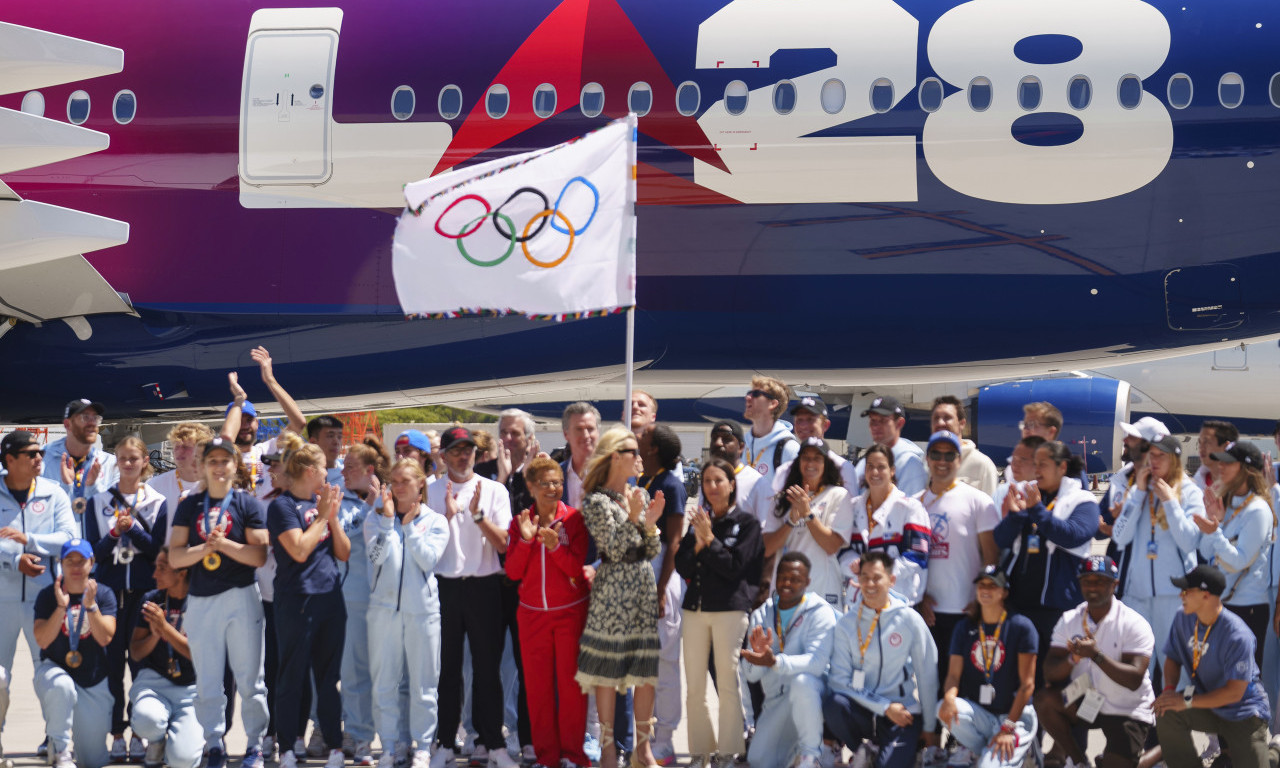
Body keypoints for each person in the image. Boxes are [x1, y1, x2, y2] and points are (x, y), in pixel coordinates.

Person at [168, 437, 270, 768]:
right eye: (212, 460)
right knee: (209, 679)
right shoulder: (189, 505)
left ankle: (254, 743)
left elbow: (258, 555)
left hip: (241, 596)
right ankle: (214, 742)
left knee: (251, 679)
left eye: (224, 460)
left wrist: (224, 544)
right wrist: (206, 550)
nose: (218, 466)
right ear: (203, 465)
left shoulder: (246, 503)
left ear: (234, 465)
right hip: (201, 600)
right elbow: (175, 556)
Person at [574, 427, 666, 768]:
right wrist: (634, 518)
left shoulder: (635, 494)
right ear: (616, 457)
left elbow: (650, 549)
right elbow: (613, 548)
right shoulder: (596, 500)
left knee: (644, 671)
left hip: (641, 588)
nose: (640, 458)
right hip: (613, 593)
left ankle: (643, 751)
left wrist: (651, 523)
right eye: (633, 452)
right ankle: (609, 749)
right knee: (607, 673)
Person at [427, 427, 516, 768]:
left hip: (484, 585)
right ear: (444, 455)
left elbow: (505, 544)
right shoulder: (431, 491)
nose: (464, 456)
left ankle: (493, 743)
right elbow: (424, 543)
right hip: (444, 587)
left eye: (469, 450)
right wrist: (446, 515)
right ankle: (446, 742)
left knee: (487, 669)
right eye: (456, 450)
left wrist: (478, 516)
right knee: (447, 670)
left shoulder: (494, 490)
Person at [915, 430, 1000, 762]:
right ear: (928, 459)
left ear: (959, 461)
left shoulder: (978, 500)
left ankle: (964, 745)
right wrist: (919, 599)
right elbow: (911, 560)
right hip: (929, 612)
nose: (942, 461)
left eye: (949, 455)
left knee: (969, 681)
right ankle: (932, 745)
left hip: (967, 611)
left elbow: (991, 558)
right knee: (930, 682)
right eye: (935, 454)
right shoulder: (915, 502)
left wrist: (981, 602)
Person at [267, 433, 350, 768]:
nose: (328, 471)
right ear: (308, 470)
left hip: (330, 599)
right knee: (292, 675)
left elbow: (343, 552)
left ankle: (334, 745)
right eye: (323, 467)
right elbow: (299, 550)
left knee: (328, 678)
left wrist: (330, 517)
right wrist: (320, 517)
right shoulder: (282, 506)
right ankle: (286, 745)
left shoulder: (323, 505)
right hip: (296, 601)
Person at [84, 434, 169, 761]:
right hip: (110, 592)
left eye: (135, 458)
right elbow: (93, 553)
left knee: (142, 664)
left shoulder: (157, 501)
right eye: (123, 459)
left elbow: (156, 550)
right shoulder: (100, 502)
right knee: (111, 665)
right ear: (116, 463)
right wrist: (116, 534)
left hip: (144, 592)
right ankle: (116, 732)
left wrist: (132, 529)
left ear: (145, 461)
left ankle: (138, 732)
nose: (130, 464)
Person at [674, 456, 763, 767]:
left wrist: (709, 541)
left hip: (729, 610)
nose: (712, 487)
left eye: (718, 481)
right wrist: (698, 544)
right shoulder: (698, 520)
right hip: (695, 609)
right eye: (707, 481)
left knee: (727, 683)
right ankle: (701, 752)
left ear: (731, 485)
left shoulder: (747, 524)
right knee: (694, 687)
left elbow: (735, 568)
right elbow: (681, 565)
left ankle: (727, 752)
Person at [504, 458, 591, 768]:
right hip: (532, 617)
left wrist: (555, 548)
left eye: (558, 482)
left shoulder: (574, 520)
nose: (554, 489)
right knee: (538, 690)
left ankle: (573, 755)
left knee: (571, 689)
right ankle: (547, 756)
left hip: (569, 614)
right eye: (546, 483)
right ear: (531, 487)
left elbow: (577, 572)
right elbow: (512, 572)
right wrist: (527, 540)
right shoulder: (519, 523)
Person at [365, 458, 450, 768]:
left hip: (422, 613)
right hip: (383, 612)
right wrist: (389, 523)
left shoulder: (436, 521)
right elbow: (374, 557)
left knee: (424, 684)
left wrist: (409, 528)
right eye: (395, 481)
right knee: (385, 682)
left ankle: (423, 746)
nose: (399, 487)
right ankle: (388, 747)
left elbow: (428, 560)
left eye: (406, 481)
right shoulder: (376, 518)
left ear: (421, 484)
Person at [994, 440, 1100, 685]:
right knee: (1021, 680)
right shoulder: (1026, 494)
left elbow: (1072, 535)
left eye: (1043, 464)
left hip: (1059, 609)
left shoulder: (1082, 500)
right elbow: (1001, 539)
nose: (1037, 469)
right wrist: (1019, 515)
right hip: (1019, 604)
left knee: (1057, 681)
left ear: (1062, 467)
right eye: (1035, 464)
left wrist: (1037, 511)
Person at [1034, 556, 1156, 768]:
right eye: (1087, 581)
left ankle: (1157, 753)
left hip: (1126, 707)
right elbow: (1050, 673)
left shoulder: (1134, 622)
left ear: (1114, 584)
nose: (1092, 587)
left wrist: (1096, 655)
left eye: (1100, 581)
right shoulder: (1070, 619)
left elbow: (1134, 679)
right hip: (1087, 702)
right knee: (1045, 700)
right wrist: (1072, 659)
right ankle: (1080, 761)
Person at [823, 551, 938, 768]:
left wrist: (930, 727)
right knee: (833, 704)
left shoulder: (909, 619)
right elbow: (839, 680)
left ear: (891, 580)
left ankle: (887, 753)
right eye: (864, 577)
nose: (870, 583)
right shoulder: (847, 624)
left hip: (902, 711)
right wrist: (884, 707)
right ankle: (863, 750)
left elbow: (927, 675)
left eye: (877, 577)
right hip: (864, 708)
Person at [0, 430, 76, 754]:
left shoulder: (53, 492)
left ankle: (58, 744)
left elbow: (69, 538)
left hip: (43, 599)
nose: (39, 459)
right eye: (31, 454)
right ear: (10, 459)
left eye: (40, 453)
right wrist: (13, 560)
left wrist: (30, 543)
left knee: (50, 675)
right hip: (1, 599)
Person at [1154, 564, 1272, 768]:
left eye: (1186, 591)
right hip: (1207, 704)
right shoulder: (1183, 616)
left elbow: (1234, 693)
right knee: (1167, 711)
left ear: (1206, 595)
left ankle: (1274, 754)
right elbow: (1172, 658)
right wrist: (1169, 691)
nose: (1181, 595)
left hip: (1243, 712)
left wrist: (1187, 702)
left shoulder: (1238, 635)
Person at [1110, 433, 1204, 680]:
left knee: (1178, 672)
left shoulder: (1191, 492)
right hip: (1137, 595)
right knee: (1137, 672)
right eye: (1151, 455)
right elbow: (1120, 537)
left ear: (1174, 459)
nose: (1154, 460)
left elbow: (1190, 541)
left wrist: (1170, 503)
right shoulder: (1138, 490)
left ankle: (1177, 718)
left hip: (1175, 597)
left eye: (1161, 455)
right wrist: (1138, 494)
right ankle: (1138, 719)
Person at [740, 552, 838, 768]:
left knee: (803, 682)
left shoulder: (820, 611)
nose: (787, 583)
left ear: (807, 582)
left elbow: (817, 663)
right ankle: (796, 751)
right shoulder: (761, 614)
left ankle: (812, 755)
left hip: (815, 695)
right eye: (783, 577)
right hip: (776, 699)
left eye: (795, 579)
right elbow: (750, 674)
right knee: (759, 760)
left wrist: (775, 662)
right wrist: (756, 660)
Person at [936, 566, 1039, 768]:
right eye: (982, 585)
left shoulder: (1021, 626)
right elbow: (953, 676)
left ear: (1004, 592)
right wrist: (949, 698)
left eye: (993, 586)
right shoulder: (964, 627)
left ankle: (1021, 749)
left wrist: (1008, 727)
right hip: (983, 715)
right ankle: (987, 752)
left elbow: (1027, 686)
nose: (986, 590)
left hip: (1014, 717)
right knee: (942, 709)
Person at [33, 538, 117, 768]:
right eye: (70, 561)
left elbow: (105, 637)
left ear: (92, 563)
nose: (76, 567)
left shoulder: (104, 594)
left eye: (81, 561)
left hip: (93, 680)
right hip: (55, 671)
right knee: (62, 686)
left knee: (92, 761)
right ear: (61, 563)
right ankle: (59, 748)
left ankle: (71, 747)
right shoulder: (48, 596)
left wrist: (91, 606)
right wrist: (61, 608)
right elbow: (42, 639)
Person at [1195, 440, 1275, 667]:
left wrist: (1215, 531)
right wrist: (1216, 523)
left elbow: (1238, 562)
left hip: (1247, 608)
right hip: (1225, 605)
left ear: (1246, 470)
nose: (1221, 467)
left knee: (1242, 682)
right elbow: (1206, 551)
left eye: (1229, 463)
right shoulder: (1229, 505)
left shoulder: (1258, 510)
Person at [637, 424, 687, 764]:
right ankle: (646, 736)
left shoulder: (671, 484)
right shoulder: (642, 482)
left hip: (662, 578)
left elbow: (675, 542)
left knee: (665, 664)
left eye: (644, 437)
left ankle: (665, 739)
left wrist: (659, 590)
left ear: (653, 448)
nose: (637, 439)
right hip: (642, 574)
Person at [339, 438, 391, 767]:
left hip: (389, 603)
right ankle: (359, 739)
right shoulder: (337, 500)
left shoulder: (392, 498)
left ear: (369, 471)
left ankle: (391, 739)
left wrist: (379, 510)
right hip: (353, 602)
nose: (343, 472)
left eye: (350, 467)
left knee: (389, 675)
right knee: (354, 673)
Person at [129, 551, 201, 768]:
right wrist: (155, 635)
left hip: (192, 689)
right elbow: (136, 652)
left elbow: (199, 656)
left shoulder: (201, 601)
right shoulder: (152, 600)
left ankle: (177, 745)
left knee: (184, 761)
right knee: (146, 721)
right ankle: (157, 740)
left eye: (162, 568)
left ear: (181, 573)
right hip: (154, 683)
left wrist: (165, 628)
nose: (154, 574)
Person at [764, 438, 854, 607]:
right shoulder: (783, 499)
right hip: (787, 590)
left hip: (823, 590)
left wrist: (807, 513)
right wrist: (791, 521)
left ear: (826, 463)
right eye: (806, 457)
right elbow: (768, 548)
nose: (810, 463)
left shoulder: (839, 495)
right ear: (798, 462)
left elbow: (832, 545)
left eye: (817, 458)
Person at [841, 443, 931, 606]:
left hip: (899, 602)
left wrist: (878, 573)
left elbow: (918, 556)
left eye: (881, 467)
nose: (875, 472)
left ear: (892, 470)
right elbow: (842, 549)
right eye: (870, 467)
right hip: (859, 603)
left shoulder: (910, 508)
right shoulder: (852, 507)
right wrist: (853, 563)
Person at [221, 347, 308, 499]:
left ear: (257, 423)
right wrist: (239, 399)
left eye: (249, 420)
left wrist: (270, 379)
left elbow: (298, 423)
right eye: (239, 421)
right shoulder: (218, 458)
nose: (245, 426)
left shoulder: (267, 451)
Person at [42, 399, 118, 530]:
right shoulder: (41, 459)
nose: (92, 423)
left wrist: (93, 487)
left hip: (97, 548)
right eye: (85, 417)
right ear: (67, 424)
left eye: (95, 418)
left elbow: (115, 511)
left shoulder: (110, 463)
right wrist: (66, 488)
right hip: (58, 547)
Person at [771, 397, 857, 495]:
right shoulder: (785, 470)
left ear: (825, 425)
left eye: (810, 420)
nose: (803, 425)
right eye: (799, 420)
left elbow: (851, 507)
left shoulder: (843, 468)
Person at [852, 396, 926, 495]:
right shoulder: (864, 463)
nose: (875, 426)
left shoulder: (910, 463)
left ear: (899, 423)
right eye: (872, 420)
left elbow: (910, 506)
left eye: (883, 420)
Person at [930, 396, 998, 497]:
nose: (940, 423)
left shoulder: (982, 465)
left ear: (962, 424)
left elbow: (992, 509)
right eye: (936, 418)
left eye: (947, 418)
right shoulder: (925, 462)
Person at [149, 423, 216, 522]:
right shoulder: (154, 486)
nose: (179, 452)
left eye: (185, 447)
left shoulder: (216, 484)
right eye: (176, 447)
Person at [740, 376, 798, 490]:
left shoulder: (789, 450)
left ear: (773, 404)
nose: (748, 397)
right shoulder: (743, 446)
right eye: (749, 393)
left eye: (756, 394)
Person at [705, 421, 761, 510]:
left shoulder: (756, 483)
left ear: (741, 447)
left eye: (726, 439)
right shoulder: (707, 481)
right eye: (714, 438)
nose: (718, 443)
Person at [1194, 420, 1240, 492]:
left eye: (1207, 442)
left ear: (1226, 447)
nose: (1201, 448)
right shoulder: (1196, 482)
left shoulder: (1240, 487)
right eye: (1200, 442)